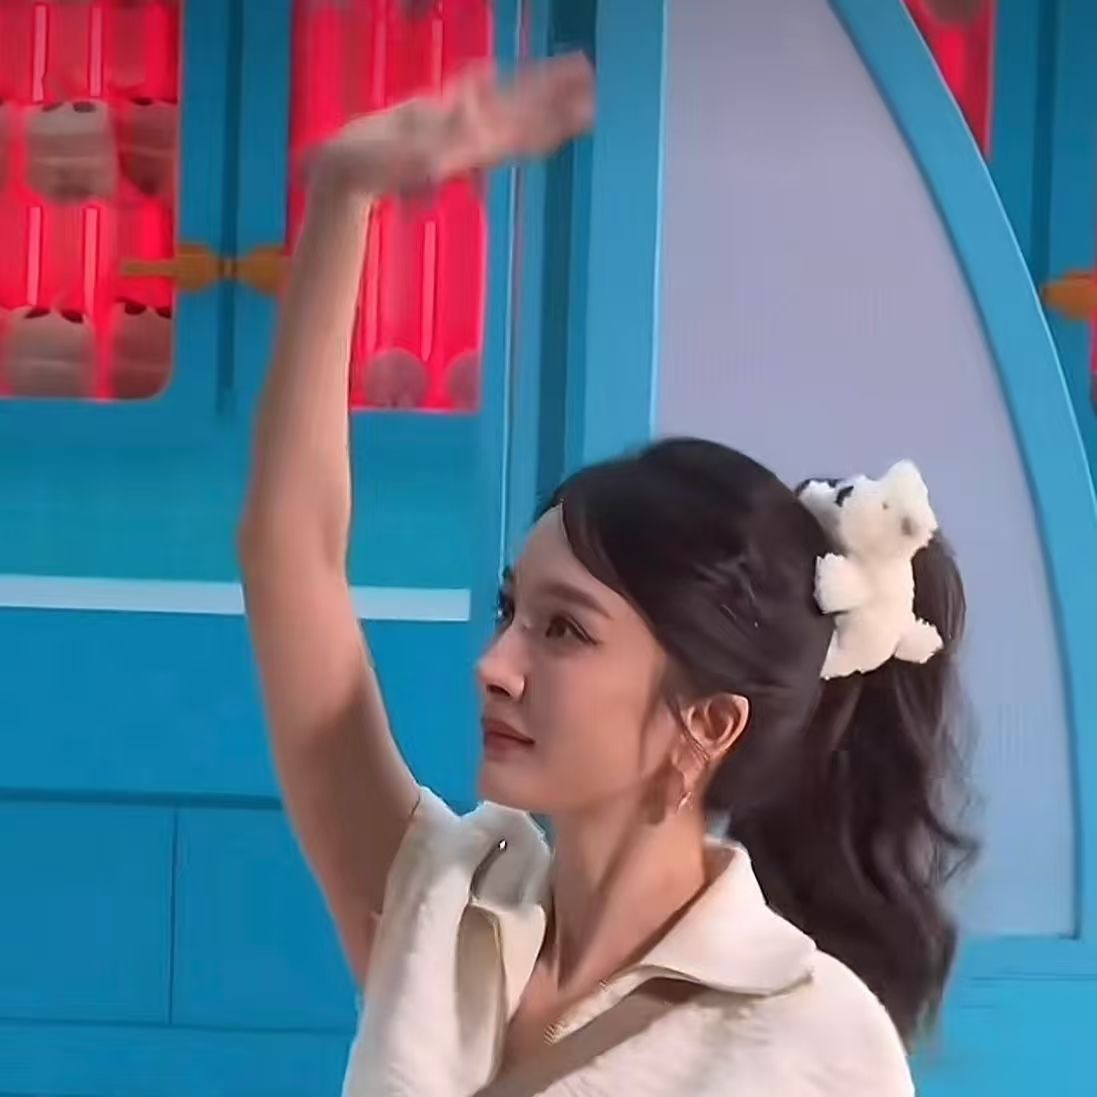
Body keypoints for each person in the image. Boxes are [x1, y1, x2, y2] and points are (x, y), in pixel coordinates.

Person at [239, 56, 974, 1097]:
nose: (495, 664)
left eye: (564, 629)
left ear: (706, 722)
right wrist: (344, 195)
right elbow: (289, 555)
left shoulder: (816, 1042)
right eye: (510, 610)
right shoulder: (444, 907)